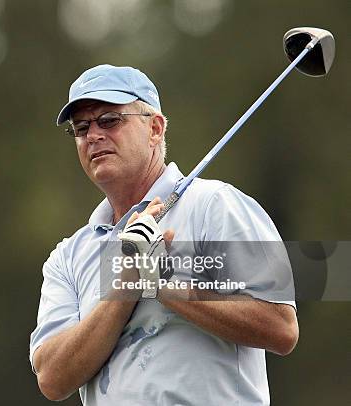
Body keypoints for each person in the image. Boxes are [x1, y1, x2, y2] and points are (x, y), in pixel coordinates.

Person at [29, 64, 298, 405]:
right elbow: (52, 378)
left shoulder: (214, 205)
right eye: (81, 128)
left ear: (154, 128)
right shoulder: (68, 256)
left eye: (109, 120)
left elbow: (281, 326)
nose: (93, 135)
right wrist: (127, 285)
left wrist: (161, 285)